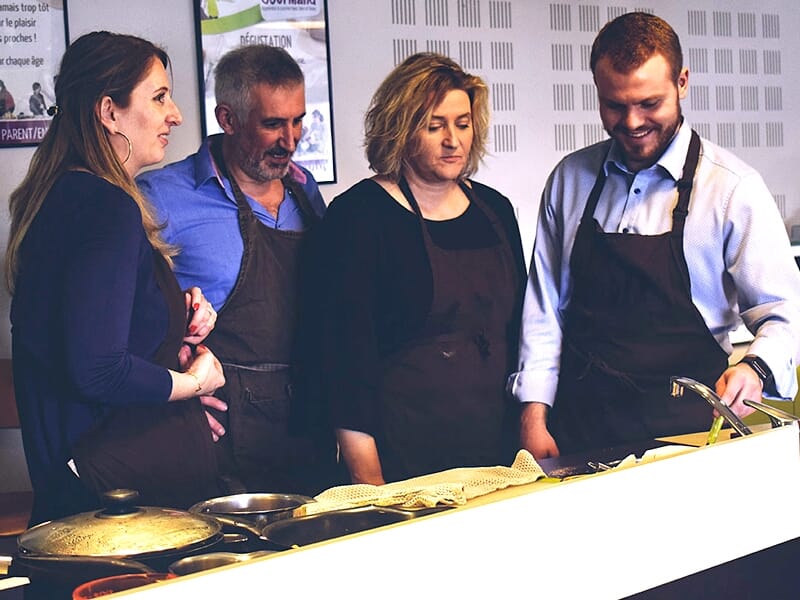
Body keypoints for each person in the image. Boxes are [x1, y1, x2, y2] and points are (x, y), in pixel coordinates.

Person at [508, 12, 800, 459]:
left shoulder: (731, 189)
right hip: (579, 429)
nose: (632, 121)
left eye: (649, 103)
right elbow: (545, 310)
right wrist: (534, 415)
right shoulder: (571, 180)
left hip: (688, 438)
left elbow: (784, 315)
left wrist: (755, 368)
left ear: (682, 82)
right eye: (615, 105)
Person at [6, 31, 227, 525]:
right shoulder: (106, 207)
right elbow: (97, 369)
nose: (177, 115)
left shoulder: (67, 198)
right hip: (111, 513)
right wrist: (192, 383)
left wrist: (174, 317)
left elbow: (99, 329)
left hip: (102, 502)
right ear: (109, 112)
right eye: (159, 97)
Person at [311, 52, 527, 485]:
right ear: (401, 128)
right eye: (435, 126)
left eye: (462, 124)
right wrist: (369, 483)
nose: (453, 140)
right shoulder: (359, 217)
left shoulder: (495, 211)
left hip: (496, 453)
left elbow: (523, 331)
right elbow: (344, 362)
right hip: (403, 461)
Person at [137, 45, 332, 496]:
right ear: (227, 119)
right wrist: (170, 402)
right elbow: (122, 326)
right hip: (221, 449)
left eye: (298, 120)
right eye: (272, 124)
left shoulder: (307, 193)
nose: (291, 140)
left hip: (307, 433)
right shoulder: (161, 198)